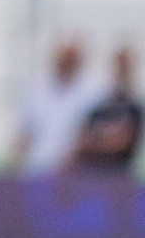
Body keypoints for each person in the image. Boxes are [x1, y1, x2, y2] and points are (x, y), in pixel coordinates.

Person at [13, 40, 106, 175]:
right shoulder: (38, 89)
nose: (64, 64)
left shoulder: (94, 92)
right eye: (62, 60)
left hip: (75, 172)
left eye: (70, 60)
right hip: (35, 168)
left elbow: (92, 134)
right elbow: (25, 133)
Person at [72, 46, 142, 174]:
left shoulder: (134, 107)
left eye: (125, 66)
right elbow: (81, 140)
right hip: (91, 174)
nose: (120, 70)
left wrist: (99, 141)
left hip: (120, 178)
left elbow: (121, 144)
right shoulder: (98, 105)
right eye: (118, 65)